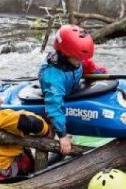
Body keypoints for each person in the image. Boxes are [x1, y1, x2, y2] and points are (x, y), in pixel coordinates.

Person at [38, 24, 106, 155]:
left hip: (70, 87)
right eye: (77, 58)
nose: (79, 61)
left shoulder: (76, 59)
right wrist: (63, 136)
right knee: (54, 113)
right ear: (64, 54)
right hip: (56, 97)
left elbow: (86, 64)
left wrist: (99, 73)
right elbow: (54, 106)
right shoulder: (53, 76)